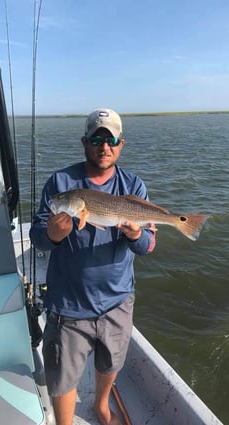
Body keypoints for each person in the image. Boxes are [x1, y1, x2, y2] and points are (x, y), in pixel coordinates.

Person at [30, 108, 156, 425]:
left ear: (121, 144)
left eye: (111, 139)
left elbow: (148, 246)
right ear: (85, 141)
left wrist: (137, 235)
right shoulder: (61, 183)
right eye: (98, 138)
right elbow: (37, 238)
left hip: (117, 300)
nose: (105, 146)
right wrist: (52, 234)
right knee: (61, 375)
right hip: (68, 304)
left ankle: (101, 405)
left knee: (110, 363)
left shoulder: (134, 185)